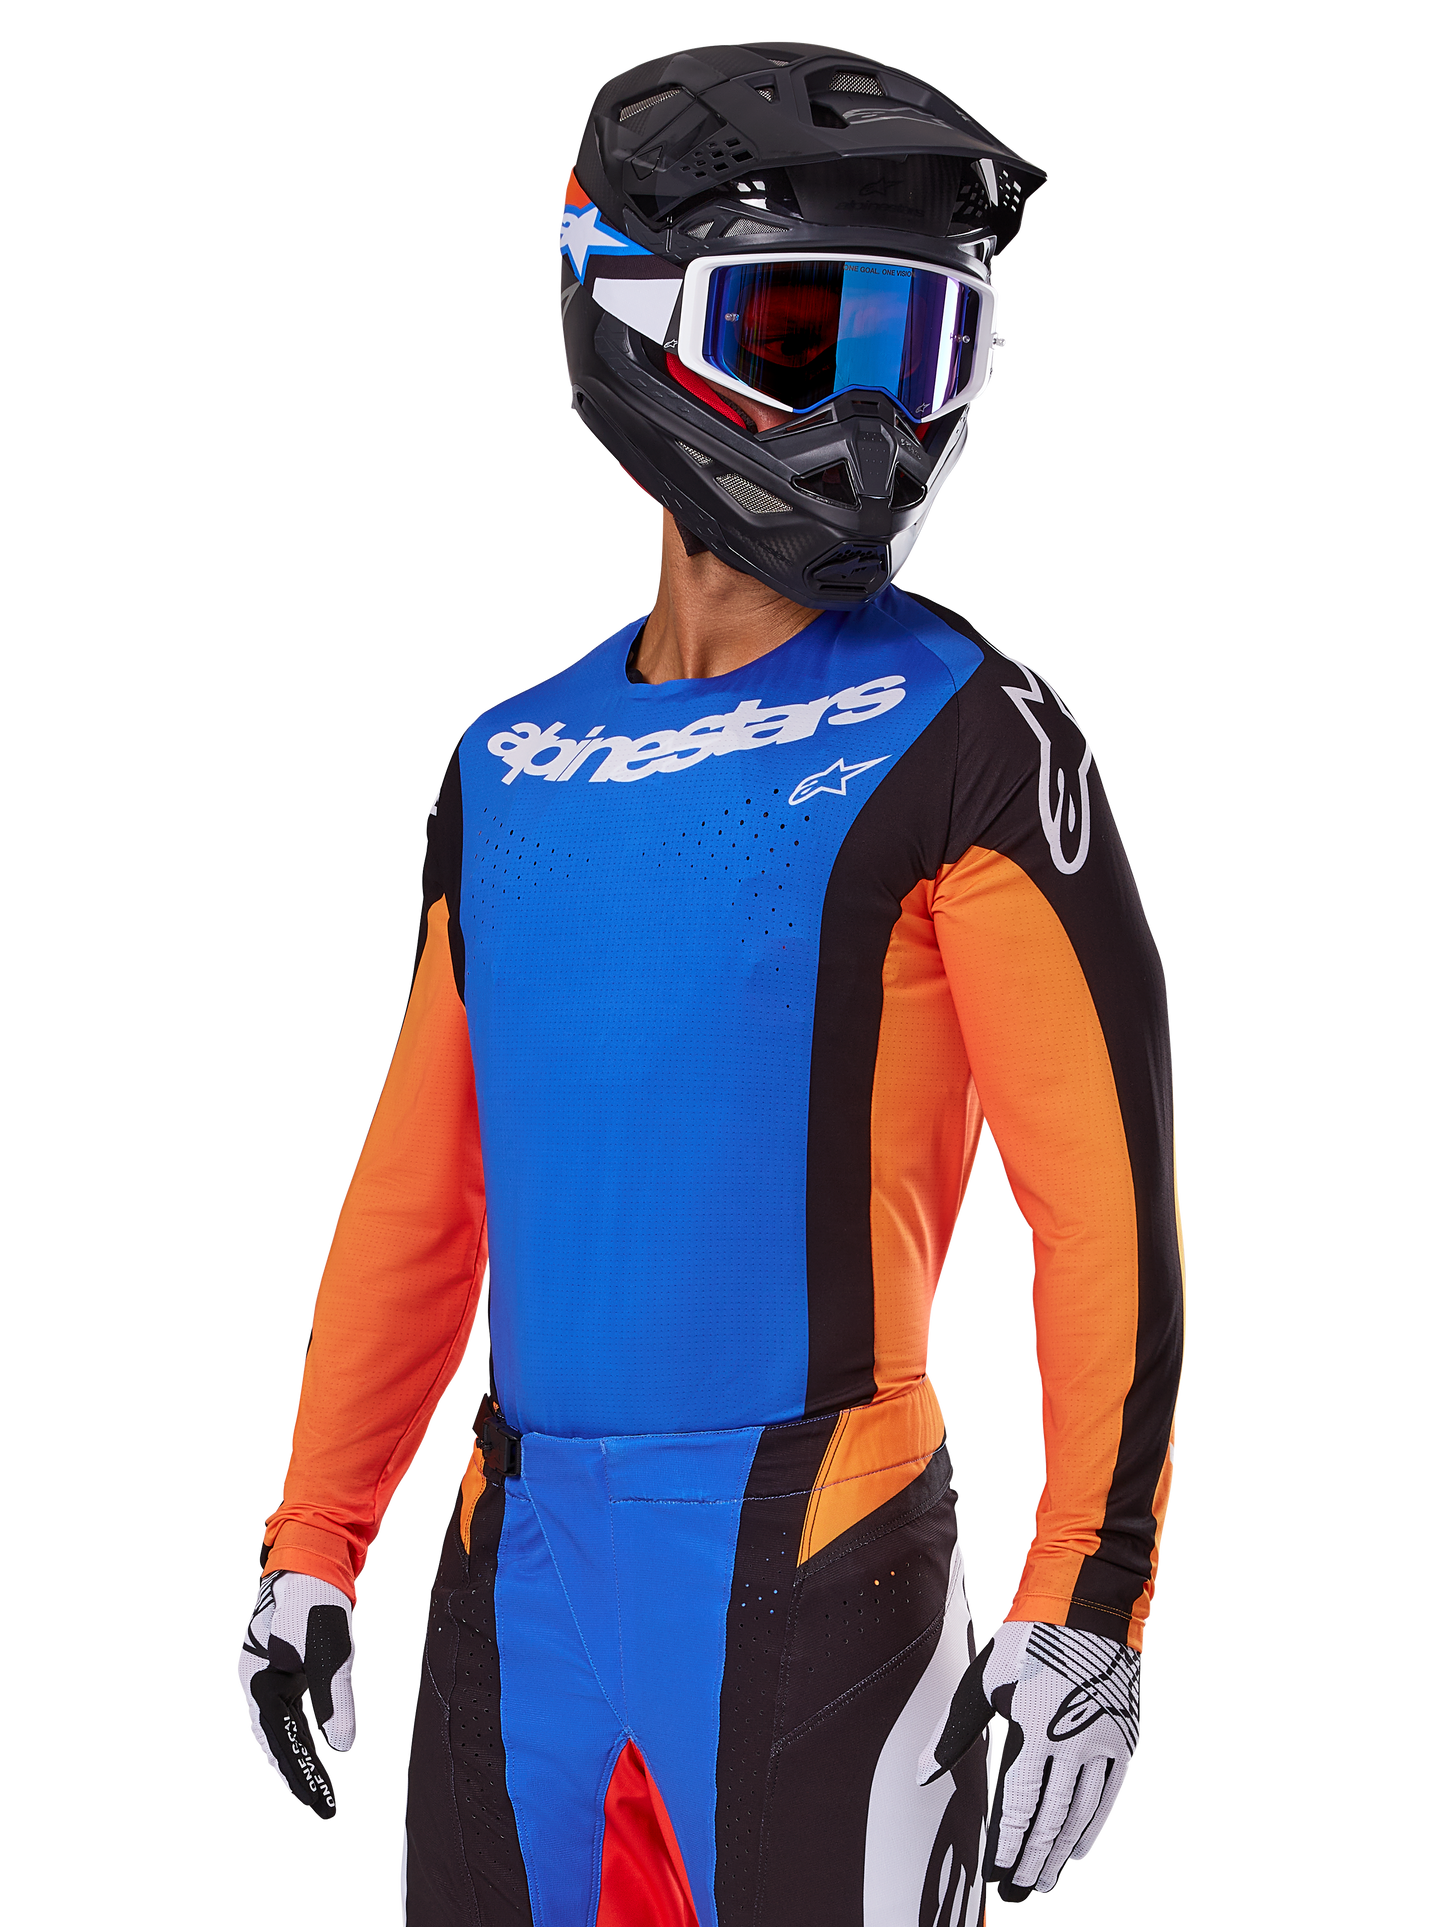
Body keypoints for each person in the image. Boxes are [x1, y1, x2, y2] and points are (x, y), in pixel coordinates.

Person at [236, 39, 1187, 1925]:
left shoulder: (976, 737)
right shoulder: (503, 761)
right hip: (515, 1577)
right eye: (799, 335)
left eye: (917, 348)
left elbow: (1107, 1202)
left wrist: (1086, 1602)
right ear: (624, 317)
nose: (867, 419)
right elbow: (422, 1190)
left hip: (828, 1565)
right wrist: (315, 1538)